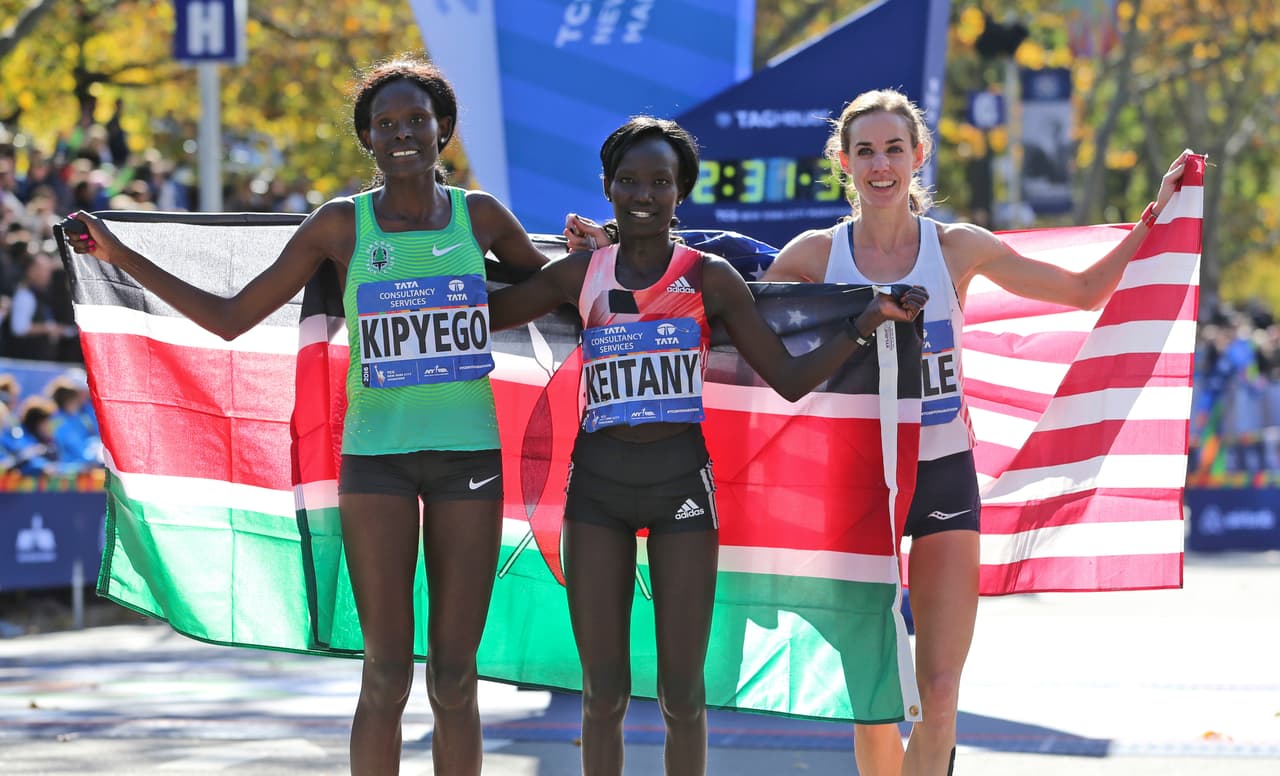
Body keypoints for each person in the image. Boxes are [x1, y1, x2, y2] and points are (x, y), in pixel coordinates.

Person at [63, 55, 552, 776]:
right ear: (369, 141)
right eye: (386, 124)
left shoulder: (479, 217)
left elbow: (561, 294)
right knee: (385, 675)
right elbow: (231, 318)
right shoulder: (338, 226)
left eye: (417, 119)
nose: (403, 133)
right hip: (375, 462)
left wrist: (598, 256)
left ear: (442, 128)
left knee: (453, 678)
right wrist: (118, 253)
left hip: (469, 460)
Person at [759, 88, 1192, 776]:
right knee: (872, 699)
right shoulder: (815, 256)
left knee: (939, 692)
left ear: (918, 156)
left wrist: (1155, 215)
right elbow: (746, 334)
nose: (880, 165)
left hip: (942, 476)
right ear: (843, 162)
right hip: (856, 488)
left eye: (894, 149)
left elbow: (1082, 292)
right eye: (865, 151)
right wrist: (620, 254)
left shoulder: (956, 248)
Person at [490, 115, 928, 776]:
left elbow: (787, 379)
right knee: (602, 694)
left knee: (683, 696)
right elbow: (485, 313)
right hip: (596, 497)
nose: (644, 194)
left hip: (681, 497)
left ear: (679, 193)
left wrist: (865, 323)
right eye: (630, 180)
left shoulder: (710, 277)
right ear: (608, 186)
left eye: (660, 182)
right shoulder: (581, 273)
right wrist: (423, 255)